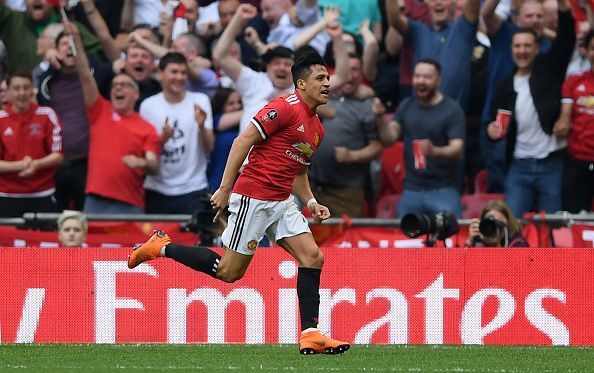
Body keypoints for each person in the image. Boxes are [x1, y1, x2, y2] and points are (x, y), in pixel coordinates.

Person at [128, 49, 350, 355]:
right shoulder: (282, 108)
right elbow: (242, 141)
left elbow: (298, 170)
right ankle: (160, 247)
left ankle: (310, 334)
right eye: (320, 78)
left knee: (313, 257)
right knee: (229, 273)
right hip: (254, 197)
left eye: (328, 77)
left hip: (282, 201)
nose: (328, 83)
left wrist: (311, 202)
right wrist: (224, 187)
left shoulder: (317, 129)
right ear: (301, 85)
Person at [68, 21, 161, 214]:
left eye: (124, 85)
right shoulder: (100, 110)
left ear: (136, 94)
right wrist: (75, 40)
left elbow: (153, 165)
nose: (117, 87)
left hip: (130, 204)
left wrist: (141, 162)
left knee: (134, 246)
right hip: (95, 201)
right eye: (115, 85)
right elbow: (85, 75)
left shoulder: (147, 127)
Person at [487, 24, 575, 218]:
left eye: (527, 46)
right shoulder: (504, 87)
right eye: (517, 46)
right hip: (519, 165)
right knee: (510, 224)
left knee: (555, 229)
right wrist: (491, 131)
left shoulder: (550, 72)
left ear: (537, 48)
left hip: (551, 163)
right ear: (511, 49)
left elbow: (566, 41)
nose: (522, 51)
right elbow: (491, 125)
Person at [377, 59, 465, 218]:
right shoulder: (406, 105)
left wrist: (434, 151)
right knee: (404, 241)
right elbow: (389, 138)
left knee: (451, 238)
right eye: (417, 76)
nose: (420, 81)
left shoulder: (452, 110)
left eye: (426, 77)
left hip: (443, 189)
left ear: (438, 80)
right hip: (412, 189)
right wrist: (380, 117)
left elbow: (457, 149)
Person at [139, 52, 215, 214]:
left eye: (183, 72)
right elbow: (144, 151)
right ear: (160, 73)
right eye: (174, 72)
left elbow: (209, 147)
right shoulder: (148, 106)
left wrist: (201, 126)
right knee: (156, 240)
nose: (180, 77)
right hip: (157, 189)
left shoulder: (200, 100)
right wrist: (162, 140)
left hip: (193, 187)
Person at [308, 53, 382, 217]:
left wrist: (353, 155)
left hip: (346, 192)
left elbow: (377, 147)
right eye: (346, 70)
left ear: (361, 73)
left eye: (355, 69)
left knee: (346, 240)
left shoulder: (368, 104)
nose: (349, 74)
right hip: (313, 187)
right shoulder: (321, 98)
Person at [0, 70, 63, 218]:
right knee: (6, 241)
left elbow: (58, 155)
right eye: (16, 88)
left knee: (44, 241)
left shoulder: (47, 114)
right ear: (7, 92)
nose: (22, 93)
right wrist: (21, 165)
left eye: (26, 87)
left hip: (43, 194)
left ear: (32, 89)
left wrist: (35, 165)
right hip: (6, 196)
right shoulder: (0, 119)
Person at [555, 28, 594, 213]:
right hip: (577, 162)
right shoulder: (574, 81)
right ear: (585, 50)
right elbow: (564, 118)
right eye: (593, 48)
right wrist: (560, 126)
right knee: (574, 219)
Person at [207, 86, 242, 190]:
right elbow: (219, 123)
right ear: (221, 105)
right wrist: (253, 108)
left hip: (238, 189)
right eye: (230, 103)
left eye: (240, 102)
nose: (237, 106)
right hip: (216, 186)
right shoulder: (215, 121)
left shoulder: (246, 126)